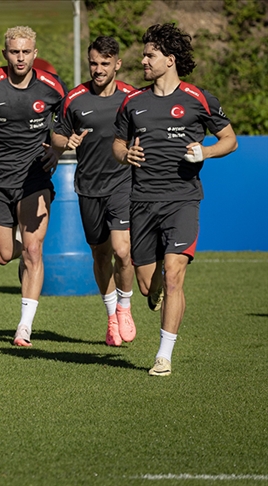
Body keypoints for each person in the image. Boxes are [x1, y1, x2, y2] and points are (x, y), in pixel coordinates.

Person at [113, 23, 237, 376]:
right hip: (141, 201)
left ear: (170, 60)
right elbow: (117, 144)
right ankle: (153, 293)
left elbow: (230, 139)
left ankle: (163, 356)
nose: (143, 60)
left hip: (183, 200)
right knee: (146, 280)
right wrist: (126, 155)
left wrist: (207, 152)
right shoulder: (132, 101)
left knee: (174, 273)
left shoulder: (199, 99)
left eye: (149, 54)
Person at [0, 26, 66, 347]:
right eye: (14, 52)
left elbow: (63, 126)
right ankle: (25, 258)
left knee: (34, 249)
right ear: (5, 53)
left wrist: (57, 150)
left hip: (34, 176)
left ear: (35, 53)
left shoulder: (52, 87)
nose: (20, 58)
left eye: (26, 52)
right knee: (4, 254)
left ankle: (24, 327)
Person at [52, 36, 137, 347]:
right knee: (100, 255)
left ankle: (125, 308)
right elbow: (56, 137)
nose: (98, 69)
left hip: (123, 183)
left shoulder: (132, 97)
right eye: (94, 63)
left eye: (105, 63)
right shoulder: (74, 98)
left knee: (122, 251)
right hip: (88, 187)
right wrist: (67, 142)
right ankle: (111, 317)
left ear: (117, 64)